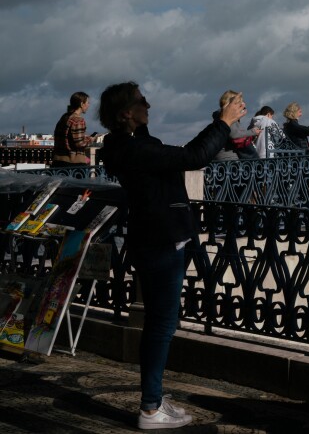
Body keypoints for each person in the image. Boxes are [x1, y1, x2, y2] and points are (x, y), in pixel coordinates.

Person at [98, 81, 246, 430]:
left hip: (153, 238)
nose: (148, 103)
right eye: (140, 101)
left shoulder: (129, 145)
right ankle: (150, 408)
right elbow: (192, 157)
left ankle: (154, 399)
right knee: (162, 325)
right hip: (162, 240)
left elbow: (159, 149)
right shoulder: (134, 150)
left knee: (158, 323)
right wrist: (222, 122)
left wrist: (139, 122)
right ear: (125, 114)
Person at [213, 90, 260, 161]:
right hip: (228, 157)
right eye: (239, 102)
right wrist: (253, 131)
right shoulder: (227, 115)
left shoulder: (220, 115)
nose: (241, 105)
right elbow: (234, 135)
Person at [52, 92, 93, 167]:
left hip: (58, 161)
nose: (88, 105)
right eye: (87, 102)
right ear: (81, 104)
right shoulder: (78, 120)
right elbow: (80, 144)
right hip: (73, 163)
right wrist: (90, 140)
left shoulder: (64, 117)